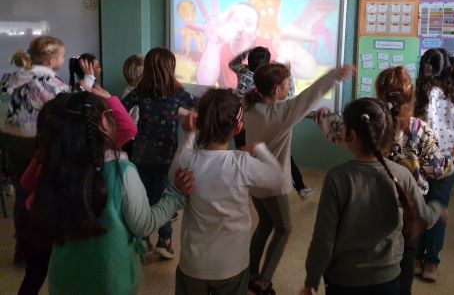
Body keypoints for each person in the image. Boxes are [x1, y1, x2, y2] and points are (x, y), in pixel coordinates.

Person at [315, 66, 454, 295]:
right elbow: (437, 169)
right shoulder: (420, 130)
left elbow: (329, 123)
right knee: (405, 260)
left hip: (365, 206)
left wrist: (323, 111)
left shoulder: (366, 125)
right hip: (406, 210)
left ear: (379, 93)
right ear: (409, 95)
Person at [30, 90, 194, 295]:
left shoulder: (48, 169)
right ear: (104, 121)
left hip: (64, 281)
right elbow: (144, 225)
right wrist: (175, 195)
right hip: (110, 282)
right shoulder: (121, 172)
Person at [300, 98, 446, 295]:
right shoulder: (402, 175)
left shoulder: (337, 177)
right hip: (388, 280)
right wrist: (438, 209)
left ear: (351, 135)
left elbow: (323, 239)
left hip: (342, 281)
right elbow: (424, 218)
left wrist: (311, 280)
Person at [245, 62, 355, 295]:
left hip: (254, 180)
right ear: (277, 90)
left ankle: (250, 273)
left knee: (265, 224)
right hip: (272, 185)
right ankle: (262, 283)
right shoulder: (281, 113)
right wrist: (335, 75)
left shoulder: (251, 108)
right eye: (288, 83)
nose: (290, 87)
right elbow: (310, 95)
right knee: (284, 228)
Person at [171, 88, 283, 295]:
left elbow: (172, 176)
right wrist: (258, 148)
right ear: (238, 127)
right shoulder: (243, 163)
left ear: (200, 123)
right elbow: (280, 179)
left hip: (193, 265)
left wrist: (188, 135)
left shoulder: (187, 160)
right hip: (232, 265)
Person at [0, 36, 70, 265]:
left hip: (13, 141)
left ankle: (22, 249)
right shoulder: (55, 84)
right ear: (51, 60)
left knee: (22, 193)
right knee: (45, 193)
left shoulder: (13, 78)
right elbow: (65, 113)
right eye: (62, 56)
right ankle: (44, 247)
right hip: (39, 144)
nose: (63, 59)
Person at [122, 47, 195, 259]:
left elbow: (120, 111)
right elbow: (199, 106)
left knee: (142, 196)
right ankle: (165, 240)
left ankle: (143, 238)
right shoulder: (179, 94)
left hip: (141, 154)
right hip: (166, 156)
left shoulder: (139, 92)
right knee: (164, 197)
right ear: (171, 68)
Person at [413, 48, 454, 281]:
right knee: (439, 210)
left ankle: (415, 259)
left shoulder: (418, 96)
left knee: (419, 210)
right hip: (448, 163)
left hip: (419, 162)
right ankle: (431, 264)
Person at [229, 46, 313, 200]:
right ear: (266, 66)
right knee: (280, 156)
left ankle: (245, 190)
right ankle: (300, 187)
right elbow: (289, 94)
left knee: (244, 156)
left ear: (249, 61)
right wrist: (287, 75)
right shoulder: (267, 81)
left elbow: (232, 64)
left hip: (240, 123)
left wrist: (245, 52)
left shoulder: (243, 71)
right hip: (260, 123)